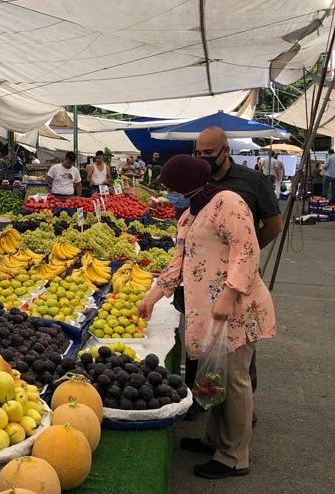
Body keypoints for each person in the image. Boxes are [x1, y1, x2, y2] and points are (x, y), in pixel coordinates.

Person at [137, 155, 276, 479]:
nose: (169, 192)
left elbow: (248, 249)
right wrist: (152, 297)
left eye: (171, 186)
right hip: (210, 314)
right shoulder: (189, 215)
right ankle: (214, 439)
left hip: (236, 309)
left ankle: (233, 456)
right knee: (217, 379)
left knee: (236, 381)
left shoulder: (228, 202)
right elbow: (178, 263)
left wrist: (229, 293)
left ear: (186, 180)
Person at [192, 126, 281, 398]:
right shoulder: (198, 181)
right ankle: (205, 407)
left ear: (226, 151)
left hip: (237, 281)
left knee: (239, 353)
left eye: (209, 153)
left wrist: (243, 257)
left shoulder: (253, 181)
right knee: (205, 346)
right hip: (204, 281)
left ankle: (241, 415)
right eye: (199, 153)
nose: (203, 158)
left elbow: (273, 225)